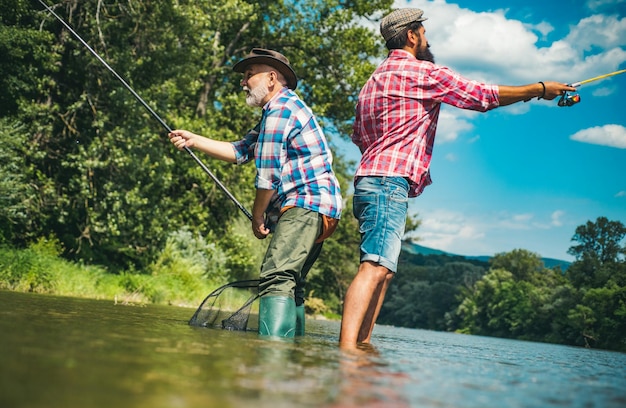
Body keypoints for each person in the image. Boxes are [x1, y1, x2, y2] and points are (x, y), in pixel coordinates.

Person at [339, 8, 576, 347]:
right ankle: (347, 353)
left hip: (367, 181)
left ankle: (360, 350)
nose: (426, 38)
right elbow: (481, 96)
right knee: (374, 267)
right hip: (389, 182)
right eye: (423, 32)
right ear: (411, 36)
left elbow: (359, 136)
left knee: (384, 271)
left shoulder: (372, 81)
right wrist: (539, 89)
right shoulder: (422, 72)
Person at [170, 48, 343, 338]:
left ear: (272, 77)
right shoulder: (277, 112)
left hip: (304, 205)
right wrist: (194, 140)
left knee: (276, 277)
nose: (243, 82)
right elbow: (241, 151)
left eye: (249, 75)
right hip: (319, 208)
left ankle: (270, 359)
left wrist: (258, 215)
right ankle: (292, 357)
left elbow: (268, 175)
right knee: (292, 282)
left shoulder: (280, 111)